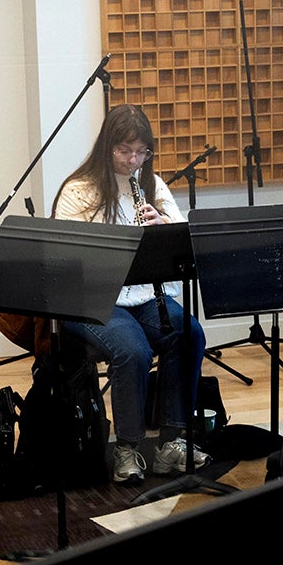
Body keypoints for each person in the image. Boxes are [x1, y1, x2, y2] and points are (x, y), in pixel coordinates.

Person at [52, 104, 210, 483]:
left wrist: (161, 223)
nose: (134, 160)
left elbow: (181, 233)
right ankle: (128, 448)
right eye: (125, 151)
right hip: (93, 298)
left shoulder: (152, 186)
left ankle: (173, 441)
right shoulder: (79, 190)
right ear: (108, 147)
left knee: (189, 335)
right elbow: (65, 256)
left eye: (141, 152)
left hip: (143, 294)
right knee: (133, 349)